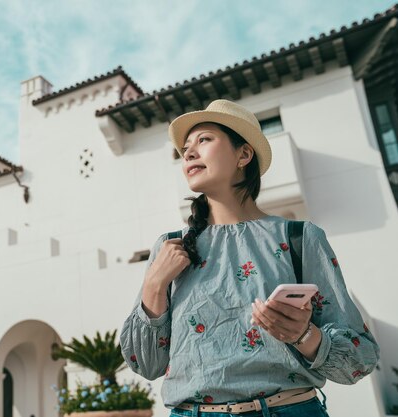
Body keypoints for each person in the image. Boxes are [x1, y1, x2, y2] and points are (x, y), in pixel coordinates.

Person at [119, 99, 380, 417]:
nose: (188, 153)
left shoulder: (298, 237)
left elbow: (359, 357)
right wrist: (154, 284)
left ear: (244, 154)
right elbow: (144, 365)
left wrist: (303, 335)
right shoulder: (170, 246)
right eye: (185, 147)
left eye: (204, 139)